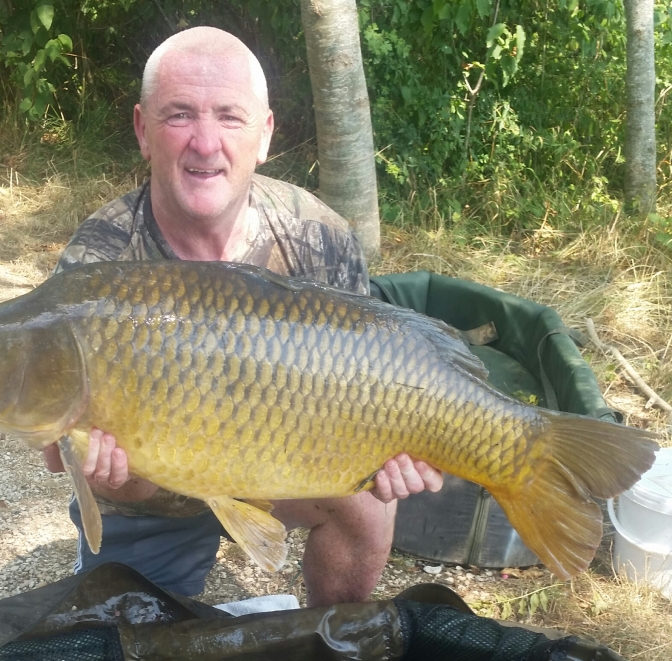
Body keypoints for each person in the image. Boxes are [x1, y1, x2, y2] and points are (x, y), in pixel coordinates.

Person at [43, 26, 443, 607]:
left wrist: (393, 457)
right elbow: (84, 453)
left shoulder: (318, 235)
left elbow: (379, 376)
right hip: (155, 491)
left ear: (265, 134)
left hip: (287, 460)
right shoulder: (98, 265)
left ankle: (327, 638)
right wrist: (119, 478)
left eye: (230, 117)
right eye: (179, 115)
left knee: (371, 503)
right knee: (121, 626)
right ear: (142, 131)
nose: (206, 143)